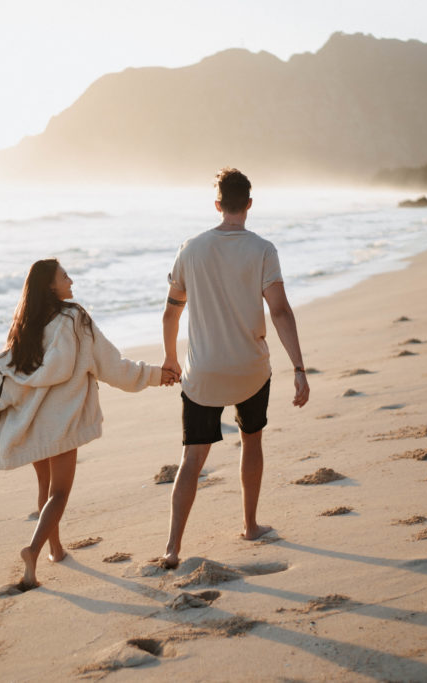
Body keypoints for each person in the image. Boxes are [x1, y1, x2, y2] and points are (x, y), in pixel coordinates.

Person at [0, 258, 176, 588]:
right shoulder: (75, 317)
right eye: (65, 276)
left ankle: (57, 550)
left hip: (32, 424)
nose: (71, 281)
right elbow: (112, 366)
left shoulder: (26, 325)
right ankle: (34, 550)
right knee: (60, 493)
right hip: (62, 424)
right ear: (50, 285)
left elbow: (4, 385)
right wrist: (154, 375)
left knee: (45, 489)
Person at [160, 167, 309, 568]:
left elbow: (171, 314)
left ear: (217, 204)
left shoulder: (190, 249)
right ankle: (250, 525)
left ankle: (172, 547)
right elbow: (279, 311)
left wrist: (171, 359)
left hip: (203, 373)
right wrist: (299, 367)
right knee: (252, 440)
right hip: (250, 369)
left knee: (192, 458)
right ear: (248, 204)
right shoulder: (263, 250)